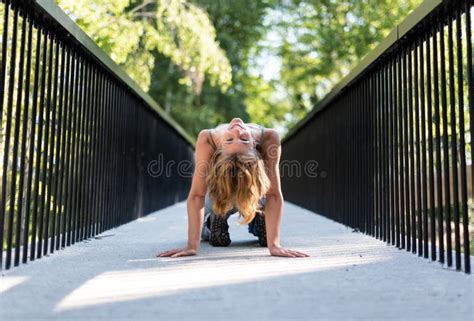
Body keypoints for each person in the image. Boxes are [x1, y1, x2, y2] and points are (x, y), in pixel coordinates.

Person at [157, 118, 309, 258]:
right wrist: (191, 246)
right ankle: (220, 215)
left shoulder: (269, 138)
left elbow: (273, 194)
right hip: (220, 191)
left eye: (243, 139)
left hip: (251, 190)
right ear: (219, 147)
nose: (236, 131)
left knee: (261, 184)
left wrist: (274, 245)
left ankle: (251, 217)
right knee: (217, 196)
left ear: (255, 146)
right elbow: (197, 195)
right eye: (230, 139)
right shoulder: (208, 139)